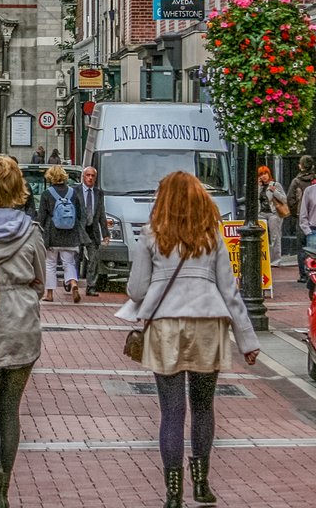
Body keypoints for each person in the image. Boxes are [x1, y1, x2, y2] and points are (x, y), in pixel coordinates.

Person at [119, 172, 261, 507]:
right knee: (202, 406)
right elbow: (230, 291)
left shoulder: (152, 234)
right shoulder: (211, 235)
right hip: (207, 323)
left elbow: (136, 289)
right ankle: (202, 483)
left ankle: (172, 492)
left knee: (171, 412)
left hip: (165, 324)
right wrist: (247, 341)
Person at [0, 157, 46, 508]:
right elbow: (41, 281)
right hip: (22, 325)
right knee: (11, 409)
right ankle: (0, 491)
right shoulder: (31, 231)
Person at [38, 165, 85, 302]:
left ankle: (50, 294)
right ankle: (74, 284)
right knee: (68, 263)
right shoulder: (73, 192)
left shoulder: (47, 194)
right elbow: (79, 214)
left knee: (50, 263)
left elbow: (41, 216)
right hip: (70, 234)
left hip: (52, 234)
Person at [287, 156, 316, 281]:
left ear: (300, 166)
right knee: (315, 246)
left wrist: (296, 213)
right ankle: (314, 272)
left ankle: (304, 274)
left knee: (301, 246)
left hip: (301, 216)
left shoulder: (296, 181)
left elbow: (290, 199)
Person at [78, 166, 107, 296]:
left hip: (93, 230)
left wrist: (105, 233)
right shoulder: (75, 191)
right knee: (75, 257)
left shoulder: (99, 193)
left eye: (92, 176)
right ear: (83, 177)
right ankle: (71, 280)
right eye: (87, 175)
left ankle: (91, 286)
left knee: (93, 259)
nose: (90, 178)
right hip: (79, 229)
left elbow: (101, 214)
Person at [257, 166, 285, 266]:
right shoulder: (259, 186)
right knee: (261, 237)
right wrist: (259, 187)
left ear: (269, 174)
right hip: (261, 214)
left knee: (275, 237)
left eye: (265, 173)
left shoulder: (275, 184)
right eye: (261, 174)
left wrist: (275, 191)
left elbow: (284, 199)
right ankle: (262, 259)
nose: (263, 176)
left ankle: (275, 261)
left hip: (273, 214)